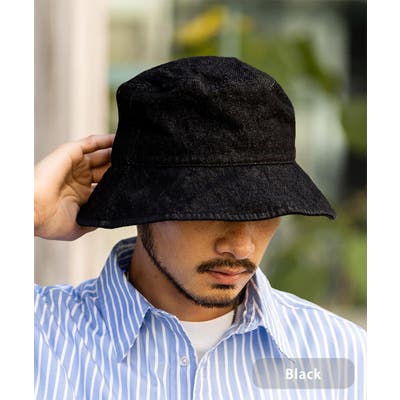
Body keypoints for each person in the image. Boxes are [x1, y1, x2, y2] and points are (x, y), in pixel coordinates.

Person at [34, 56, 366, 400]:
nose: (241, 247)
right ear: (141, 200)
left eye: (266, 210)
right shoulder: (36, 336)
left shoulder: (341, 355)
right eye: (212, 209)